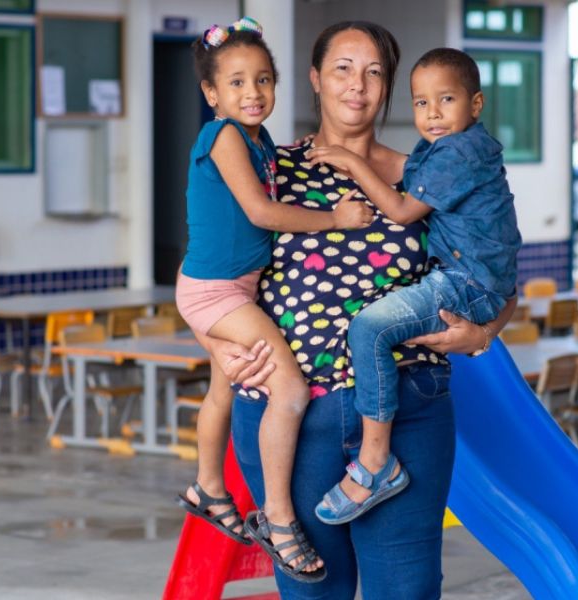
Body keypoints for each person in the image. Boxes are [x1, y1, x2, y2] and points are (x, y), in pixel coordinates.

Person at [203, 21, 516, 599]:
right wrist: (220, 348)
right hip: (292, 416)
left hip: (409, 412)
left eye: (374, 72)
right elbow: (207, 269)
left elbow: (495, 265)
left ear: (390, 87)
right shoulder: (268, 169)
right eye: (343, 69)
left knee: (407, 588)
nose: (358, 85)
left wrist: (483, 331)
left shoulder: (427, 175)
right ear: (317, 79)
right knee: (313, 591)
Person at [174, 17, 373, 583]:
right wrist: (335, 219)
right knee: (287, 386)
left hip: (227, 287)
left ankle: (208, 488)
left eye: (263, 80)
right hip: (216, 293)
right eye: (236, 83)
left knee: (224, 385)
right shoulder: (225, 136)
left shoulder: (259, 142)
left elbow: (272, 181)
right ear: (212, 94)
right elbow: (262, 213)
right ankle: (280, 519)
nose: (252, 93)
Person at [304, 47, 522, 524]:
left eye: (446, 99)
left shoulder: (460, 151)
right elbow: (408, 175)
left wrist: (349, 161)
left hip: (464, 283)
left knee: (369, 330)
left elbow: (403, 210)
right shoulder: (442, 152)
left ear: (476, 104)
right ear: (316, 78)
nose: (433, 113)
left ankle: (375, 461)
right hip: (472, 280)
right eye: (421, 103)